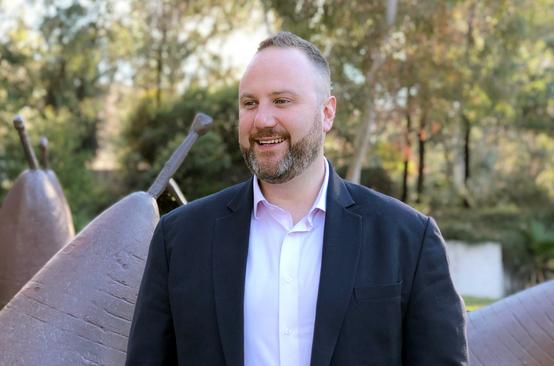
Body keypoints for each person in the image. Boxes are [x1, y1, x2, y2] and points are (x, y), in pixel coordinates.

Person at [126, 31, 468, 365]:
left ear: (327, 113)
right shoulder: (179, 239)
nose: (262, 119)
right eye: (249, 103)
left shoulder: (409, 238)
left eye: (281, 100)